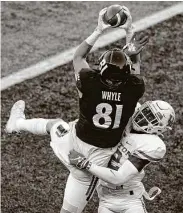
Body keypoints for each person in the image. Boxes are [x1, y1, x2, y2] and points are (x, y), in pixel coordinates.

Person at [5, 6, 148, 213]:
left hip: (71, 141)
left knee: (54, 125)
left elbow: (78, 57)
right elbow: (134, 66)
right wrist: (129, 32)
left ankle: (16, 124)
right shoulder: (133, 89)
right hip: (90, 163)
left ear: (101, 69)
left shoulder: (89, 82)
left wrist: (99, 30)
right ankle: (15, 123)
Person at [68, 100, 175, 213]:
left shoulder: (151, 145)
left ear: (159, 128)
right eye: (146, 111)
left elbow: (118, 178)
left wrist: (85, 163)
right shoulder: (128, 113)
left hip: (130, 200)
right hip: (105, 199)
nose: (143, 117)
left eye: (151, 117)